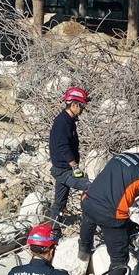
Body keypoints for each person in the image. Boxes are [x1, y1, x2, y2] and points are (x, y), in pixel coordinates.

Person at [79, 135, 139, 275]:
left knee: (89, 219)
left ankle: (83, 252)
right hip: (110, 216)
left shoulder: (121, 156)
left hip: (88, 202)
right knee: (119, 260)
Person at [49, 86, 91, 222]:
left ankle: (54, 228)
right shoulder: (62, 122)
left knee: (59, 203)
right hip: (63, 170)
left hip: (62, 169)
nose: (83, 109)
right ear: (74, 104)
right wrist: (75, 167)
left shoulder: (69, 120)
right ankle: (90, 219)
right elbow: (62, 146)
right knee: (89, 187)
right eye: (82, 105)